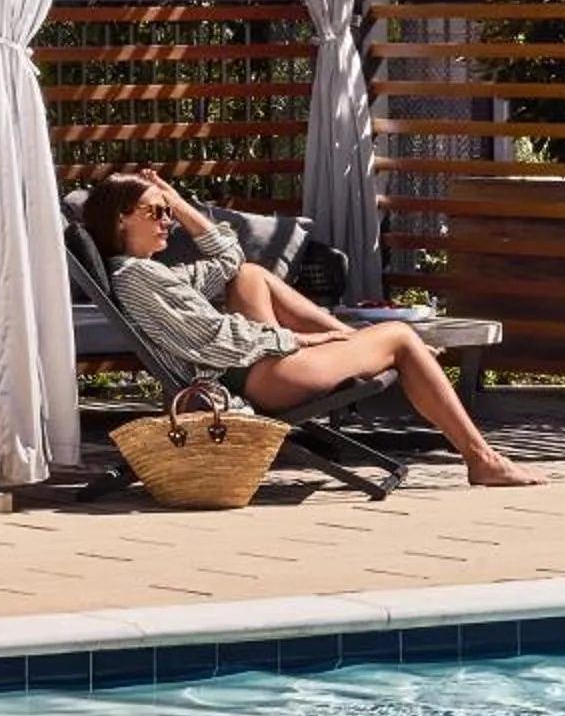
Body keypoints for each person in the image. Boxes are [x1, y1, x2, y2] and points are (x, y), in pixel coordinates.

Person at [81, 167, 541, 488]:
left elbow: (230, 260)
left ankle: (353, 337)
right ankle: (482, 460)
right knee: (402, 337)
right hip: (249, 376)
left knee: (250, 275)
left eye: (167, 213)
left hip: (254, 364)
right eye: (155, 213)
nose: (167, 223)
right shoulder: (137, 278)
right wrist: (301, 339)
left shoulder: (152, 271)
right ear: (121, 219)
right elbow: (214, 341)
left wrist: (180, 203)